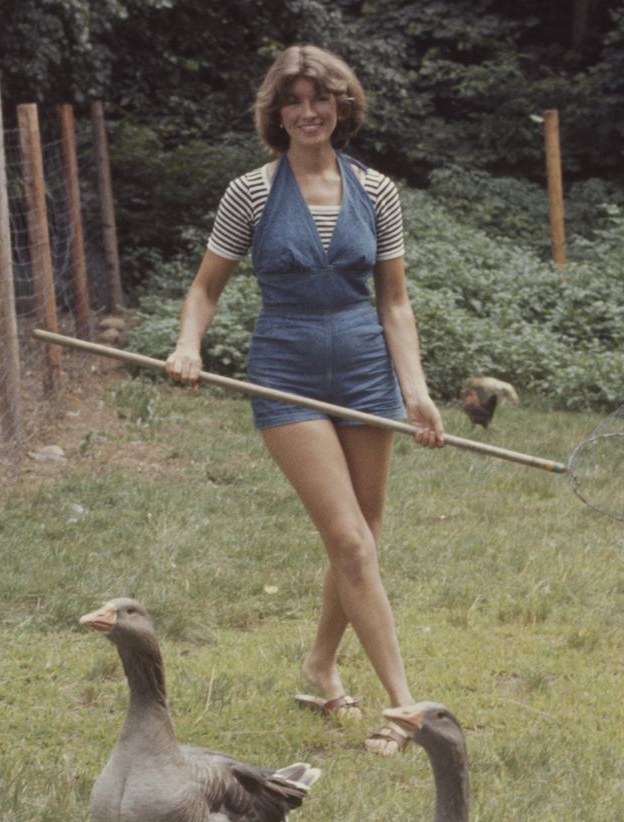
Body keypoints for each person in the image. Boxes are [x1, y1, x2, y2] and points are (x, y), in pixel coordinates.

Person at [164, 44, 444, 756]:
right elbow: (205, 287)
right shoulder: (251, 193)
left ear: (342, 106)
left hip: (366, 373)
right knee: (349, 540)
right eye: (293, 101)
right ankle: (405, 706)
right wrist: (189, 344)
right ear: (277, 113)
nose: (308, 112)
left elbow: (395, 303)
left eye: (320, 98)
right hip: (285, 373)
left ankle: (320, 663)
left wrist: (414, 391)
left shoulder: (377, 191)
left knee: (363, 537)